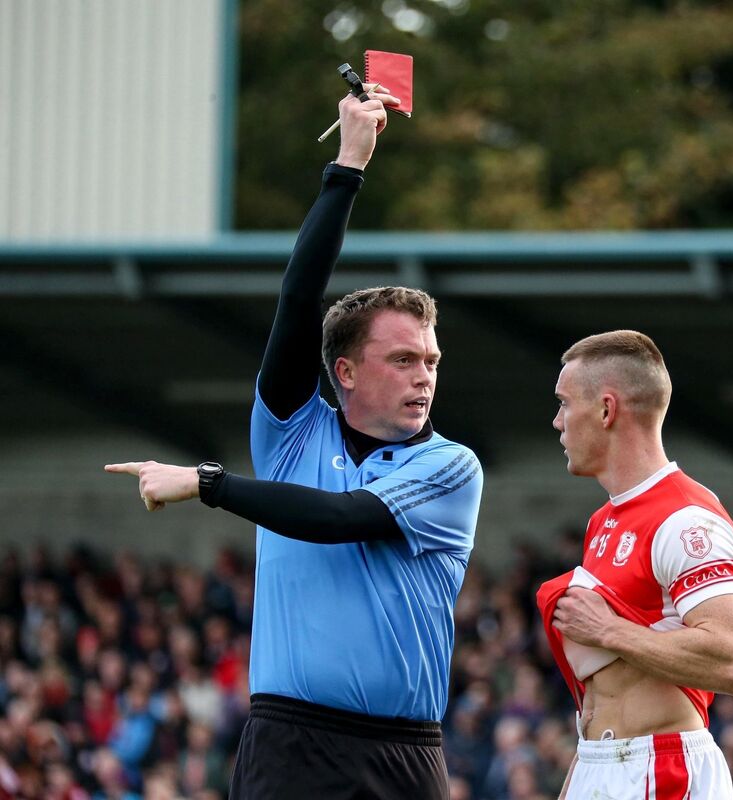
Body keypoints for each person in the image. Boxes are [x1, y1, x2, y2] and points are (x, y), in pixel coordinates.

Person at [105, 88, 483, 799]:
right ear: (343, 371)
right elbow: (298, 296)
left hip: (406, 754)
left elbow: (341, 520)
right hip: (289, 744)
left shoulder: (449, 465)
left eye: (430, 361)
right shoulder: (292, 432)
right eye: (402, 360)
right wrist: (348, 165)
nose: (423, 376)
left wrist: (208, 483)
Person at [535, 330, 733, 800]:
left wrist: (610, 632)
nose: (557, 421)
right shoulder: (603, 520)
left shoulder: (686, 517)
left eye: (564, 403)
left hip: (662, 767)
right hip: (598, 762)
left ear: (606, 410)